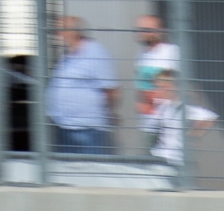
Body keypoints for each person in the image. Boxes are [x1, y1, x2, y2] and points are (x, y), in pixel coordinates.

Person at [47, 16, 118, 155]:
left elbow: (110, 90)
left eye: (60, 30)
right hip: (65, 127)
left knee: (91, 166)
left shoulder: (95, 52)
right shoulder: (67, 55)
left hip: (88, 129)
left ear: (73, 32)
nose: (57, 34)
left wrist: (108, 113)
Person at [147, 69, 217, 165]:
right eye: (157, 87)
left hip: (175, 161)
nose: (158, 91)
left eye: (162, 87)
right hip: (159, 156)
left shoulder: (184, 106)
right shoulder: (164, 106)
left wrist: (194, 135)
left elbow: (209, 116)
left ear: (173, 87)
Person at [134, 14, 180, 135]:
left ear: (160, 31)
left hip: (168, 123)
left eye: (147, 30)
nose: (142, 33)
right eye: (140, 29)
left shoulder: (171, 52)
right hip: (147, 121)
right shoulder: (141, 55)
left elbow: (179, 85)